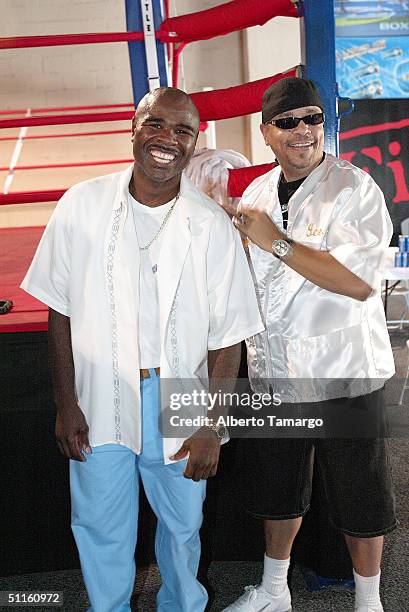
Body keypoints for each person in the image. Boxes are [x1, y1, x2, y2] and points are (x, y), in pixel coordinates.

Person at [21, 86, 264, 612]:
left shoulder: (210, 224)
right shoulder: (81, 205)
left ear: (194, 143)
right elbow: (57, 310)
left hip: (180, 398)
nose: (167, 140)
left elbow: (230, 339)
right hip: (98, 393)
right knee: (99, 524)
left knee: (182, 530)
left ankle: (184, 605)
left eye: (183, 132)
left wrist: (212, 427)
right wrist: (67, 405)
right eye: (156, 124)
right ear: (134, 128)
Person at [223, 77, 396, 612]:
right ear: (266, 133)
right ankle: (275, 592)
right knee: (278, 486)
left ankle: (369, 602)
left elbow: (358, 281)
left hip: (344, 368)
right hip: (275, 369)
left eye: (313, 119)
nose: (304, 131)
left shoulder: (354, 187)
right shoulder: (255, 194)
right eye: (289, 122)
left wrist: (272, 240)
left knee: (360, 492)